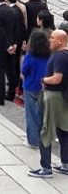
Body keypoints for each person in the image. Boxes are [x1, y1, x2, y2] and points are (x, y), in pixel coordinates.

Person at [29, 30, 68, 178]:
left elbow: (57, 78)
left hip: (54, 97)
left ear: (61, 41)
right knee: (64, 130)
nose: (49, 40)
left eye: (52, 38)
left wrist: (44, 80)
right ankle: (66, 164)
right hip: (64, 96)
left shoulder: (59, 57)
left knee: (45, 131)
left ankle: (46, 168)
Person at [21, 30, 51, 149]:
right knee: (43, 113)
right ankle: (44, 137)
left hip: (30, 86)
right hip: (45, 86)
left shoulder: (30, 56)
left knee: (31, 114)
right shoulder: (49, 55)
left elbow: (24, 71)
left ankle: (33, 140)